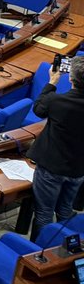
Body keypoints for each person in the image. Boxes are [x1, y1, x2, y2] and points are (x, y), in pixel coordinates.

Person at [28, 54, 84, 238]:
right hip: (78, 169)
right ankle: (60, 248)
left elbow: (38, 109)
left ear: (70, 78)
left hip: (52, 167)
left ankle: (38, 254)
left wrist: (52, 81)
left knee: (44, 213)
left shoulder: (57, 101)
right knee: (65, 210)